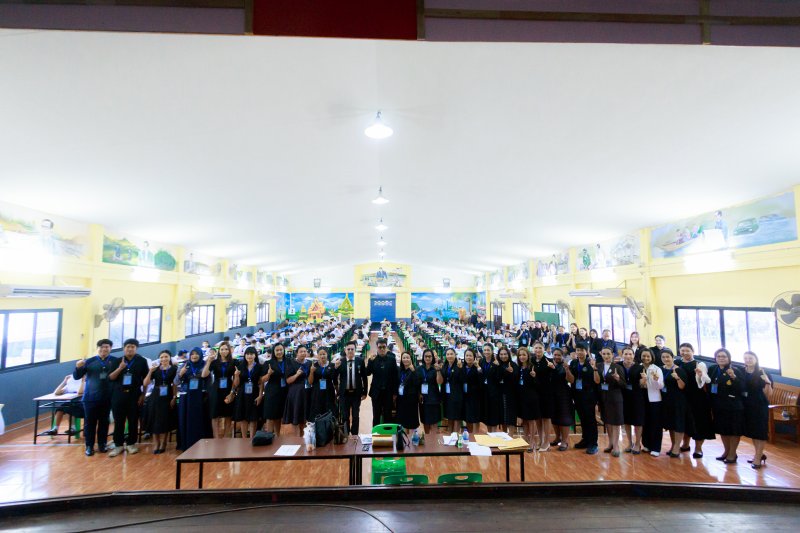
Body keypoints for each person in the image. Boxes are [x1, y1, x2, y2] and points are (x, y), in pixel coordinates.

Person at [73, 339, 117, 456]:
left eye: (107, 347)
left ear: (110, 348)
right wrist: (78, 367)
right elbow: (77, 376)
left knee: (104, 422)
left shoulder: (115, 361)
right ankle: (89, 446)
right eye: (101, 347)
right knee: (90, 423)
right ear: (98, 348)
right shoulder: (89, 361)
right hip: (90, 397)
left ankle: (102, 444)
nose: (104, 349)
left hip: (107, 397)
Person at [107, 339, 149, 457]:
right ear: (123, 348)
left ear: (136, 348)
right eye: (128, 347)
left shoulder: (141, 361)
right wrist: (120, 368)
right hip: (118, 395)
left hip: (134, 395)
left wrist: (143, 394)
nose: (130, 349)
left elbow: (146, 380)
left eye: (132, 347)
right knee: (119, 421)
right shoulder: (116, 361)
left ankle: (131, 444)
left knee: (133, 420)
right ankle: (118, 445)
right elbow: (111, 377)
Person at [708, 348, 745, 464]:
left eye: (724, 356)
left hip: (733, 406)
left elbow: (742, 388)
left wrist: (734, 377)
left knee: (733, 430)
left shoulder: (736, 370)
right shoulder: (713, 369)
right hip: (718, 405)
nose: (721, 358)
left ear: (729, 358)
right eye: (718, 356)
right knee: (723, 430)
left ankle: (732, 453)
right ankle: (726, 451)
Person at [677, 343, 714, 458]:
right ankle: (685, 444)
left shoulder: (699, 364)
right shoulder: (677, 363)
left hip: (698, 398)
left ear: (693, 351)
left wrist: (701, 375)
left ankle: (698, 448)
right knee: (685, 421)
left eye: (687, 350)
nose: (685, 353)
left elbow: (707, 381)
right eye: (682, 350)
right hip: (682, 397)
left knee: (699, 422)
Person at [176, 347, 211, 451]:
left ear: (200, 355)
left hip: (201, 397)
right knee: (186, 420)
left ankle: (202, 445)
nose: (194, 356)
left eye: (196, 354)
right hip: (186, 397)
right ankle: (187, 444)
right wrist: (181, 373)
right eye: (192, 354)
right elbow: (176, 382)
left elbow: (208, 379)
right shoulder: (184, 365)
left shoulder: (205, 364)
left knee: (201, 420)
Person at [142, 350, 176, 454]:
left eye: (166, 356)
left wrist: (174, 397)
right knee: (154, 419)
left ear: (169, 358)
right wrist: (150, 371)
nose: (164, 359)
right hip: (156, 395)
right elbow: (145, 383)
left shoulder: (174, 369)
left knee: (165, 419)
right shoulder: (155, 369)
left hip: (168, 395)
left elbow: (175, 384)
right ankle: (156, 442)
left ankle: (164, 442)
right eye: (161, 357)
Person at [567, 343, 599, 455]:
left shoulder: (591, 362)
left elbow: (596, 381)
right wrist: (567, 370)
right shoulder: (574, 363)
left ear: (586, 351)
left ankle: (593, 443)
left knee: (590, 419)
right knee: (582, 418)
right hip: (577, 395)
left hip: (589, 395)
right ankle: (585, 439)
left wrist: (595, 368)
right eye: (578, 350)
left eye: (582, 350)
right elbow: (571, 380)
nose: (579, 352)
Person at [742, 351, 771, 469]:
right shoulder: (742, 371)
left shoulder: (763, 372)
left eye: (750, 358)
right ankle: (758, 454)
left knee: (760, 432)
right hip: (747, 405)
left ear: (756, 359)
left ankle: (758, 458)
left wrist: (767, 382)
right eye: (746, 358)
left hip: (759, 406)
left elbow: (768, 394)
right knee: (753, 432)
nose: (748, 360)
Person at [596, 347, 625, 457]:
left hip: (615, 397)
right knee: (607, 421)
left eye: (608, 353)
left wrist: (618, 379)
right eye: (604, 354)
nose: (606, 356)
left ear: (612, 354)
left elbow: (623, 384)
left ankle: (616, 445)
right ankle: (611, 443)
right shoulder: (598, 366)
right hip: (603, 397)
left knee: (616, 422)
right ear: (601, 354)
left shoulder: (618, 367)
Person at [203, 342, 236, 438]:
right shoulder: (214, 362)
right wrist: (209, 361)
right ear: (219, 351)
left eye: (226, 349)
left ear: (229, 350)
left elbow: (235, 379)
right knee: (215, 415)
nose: (224, 351)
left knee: (228, 414)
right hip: (216, 390)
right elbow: (204, 375)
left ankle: (226, 437)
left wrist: (232, 392)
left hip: (228, 389)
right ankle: (216, 437)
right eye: (222, 349)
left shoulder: (234, 362)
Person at [660, 349, 689, 458]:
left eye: (668, 357)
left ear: (673, 357)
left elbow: (682, 386)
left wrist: (677, 378)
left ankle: (677, 447)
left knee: (678, 424)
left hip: (678, 401)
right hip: (666, 400)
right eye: (663, 357)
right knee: (671, 424)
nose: (666, 359)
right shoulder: (661, 369)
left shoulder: (679, 370)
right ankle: (673, 445)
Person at [336, 341, 367, 436]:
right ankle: (346, 434)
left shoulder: (360, 361)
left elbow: (364, 377)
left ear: (355, 350)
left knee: (355, 416)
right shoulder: (340, 362)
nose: (350, 351)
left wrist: (364, 392)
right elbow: (334, 377)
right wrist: (335, 368)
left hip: (356, 393)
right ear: (345, 350)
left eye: (352, 349)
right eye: (348, 349)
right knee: (345, 416)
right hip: (344, 394)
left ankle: (354, 435)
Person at [366, 338, 398, 427]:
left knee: (388, 415)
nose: (382, 349)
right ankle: (375, 434)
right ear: (377, 348)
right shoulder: (373, 359)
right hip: (376, 392)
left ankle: (388, 434)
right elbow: (367, 373)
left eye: (384, 347)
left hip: (388, 392)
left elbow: (395, 377)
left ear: (386, 347)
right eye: (380, 347)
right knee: (376, 415)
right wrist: (370, 361)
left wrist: (395, 393)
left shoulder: (392, 359)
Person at [232, 347, 263, 440]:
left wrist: (260, 395)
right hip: (242, 394)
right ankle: (244, 439)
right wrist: (236, 376)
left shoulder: (259, 367)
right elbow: (236, 384)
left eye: (251, 354)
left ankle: (252, 439)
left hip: (254, 393)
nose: (249, 356)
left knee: (253, 418)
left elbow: (261, 383)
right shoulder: (240, 366)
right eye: (247, 354)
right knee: (243, 418)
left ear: (255, 355)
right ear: (245, 355)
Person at [620, 347, 645, 454]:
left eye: (630, 354)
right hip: (623, 397)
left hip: (637, 397)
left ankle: (638, 443)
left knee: (638, 421)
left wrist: (644, 380)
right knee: (626, 421)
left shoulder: (639, 367)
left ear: (633, 355)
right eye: (626, 354)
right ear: (622, 355)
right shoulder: (618, 366)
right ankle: (630, 443)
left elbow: (642, 384)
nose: (628, 356)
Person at [261, 343, 290, 435]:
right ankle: (268, 436)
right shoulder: (268, 363)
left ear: (284, 350)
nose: (279, 352)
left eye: (281, 350)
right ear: (273, 352)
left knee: (279, 416)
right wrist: (269, 374)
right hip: (272, 392)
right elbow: (262, 380)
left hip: (284, 391)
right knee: (270, 416)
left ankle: (278, 436)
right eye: (277, 350)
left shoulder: (289, 361)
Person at [640, 349, 664, 456]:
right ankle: (646, 444)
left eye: (648, 356)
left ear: (652, 357)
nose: (645, 358)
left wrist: (655, 380)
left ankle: (656, 448)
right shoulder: (639, 367)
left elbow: (660, 386)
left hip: (654, 399)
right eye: (643, 356)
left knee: (656, 424)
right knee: (645, 422)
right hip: (642, 399)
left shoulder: (656, 369)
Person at [283, 345, 311, 436]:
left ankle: (303, 436)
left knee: (304, 416)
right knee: (295, 416)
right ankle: (296, 438)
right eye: (301, 351)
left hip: (307, 392)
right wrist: (297, 375)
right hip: (295, 393)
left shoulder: (309, 363)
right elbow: (288, 380)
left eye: (304, 351)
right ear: (297, 353)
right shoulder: (291, 363)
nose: (303, 353)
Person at [531, 342, 554, 451]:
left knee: (546, 418)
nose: (538, 350)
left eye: (540, 348)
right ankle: (541, 440)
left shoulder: (548, 361)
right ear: (533, 349)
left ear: (543, 349)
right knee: (538, 418)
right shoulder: (531, 361)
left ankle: (547, 441)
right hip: (534, 392)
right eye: (536, 348)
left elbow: (554, 376)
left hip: (546, 393)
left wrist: (552, 368)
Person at [516, 347, 540, 451]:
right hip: (521, 397)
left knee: (531, 420)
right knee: (524, 420)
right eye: (520, 355)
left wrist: (534, 377)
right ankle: (525, 439)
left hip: (531, 397)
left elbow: (538, 384)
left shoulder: (532, 367)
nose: (522, 357)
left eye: (524, 355)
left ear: (528, 356)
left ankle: (532, 441)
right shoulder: (518, 368)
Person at [492, 347, 518, 434]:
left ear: (508, 354)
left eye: (505, 354)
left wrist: (511, 372)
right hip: (499, 394)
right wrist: (499, 368)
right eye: (501, 354)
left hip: (510, 394)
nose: (503, 356)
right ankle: (504, 435)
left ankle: (511, 436)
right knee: (502, 416)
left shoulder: (513, 365)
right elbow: (496, 378)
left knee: (510, 416)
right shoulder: (497, 364)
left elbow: (516, 379)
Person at [417, 348, 443, 434]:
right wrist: (419, 394)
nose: (428, 358)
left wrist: (438, 371)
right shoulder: (419, 369)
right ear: (423, 357)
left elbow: (440, 382)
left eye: (429, 356)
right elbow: (417, 383)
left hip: (434, 398)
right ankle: (427, 439)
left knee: (434, 421)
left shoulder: (436, 368)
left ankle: (434, 440)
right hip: (423, 398)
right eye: (426, 356)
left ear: (432, 358)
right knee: (425, 421)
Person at [308, 347, 337, 420]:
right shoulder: (313, 366)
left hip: (329, 391)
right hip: (317, 391)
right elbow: (310, 382)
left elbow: (335, 380)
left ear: (327, 354)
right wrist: (311, 372)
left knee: (329, 409)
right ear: (317, 355)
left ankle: (329, 425)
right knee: (317, 410)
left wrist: (337, 391)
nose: (322, 356)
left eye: (324, 354)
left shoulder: (332, 365)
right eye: (320, 354)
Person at [395, 351, 420, 434]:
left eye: (407, 358)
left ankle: (412, 437)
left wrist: (413, 371)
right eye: (404, 358)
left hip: (411, 399)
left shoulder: (415, 369)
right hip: (401, 399)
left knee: (411, 420)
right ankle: (404, 438)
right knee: (402, 420)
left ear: (411, 359)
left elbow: (417, 383)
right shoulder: (400, 370)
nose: (405, 359)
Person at [441, 348, 465, 434]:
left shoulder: (459, 365)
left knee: (457, 417)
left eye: (451, 354)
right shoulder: (445, 366)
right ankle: (450, 435)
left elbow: (463, 379)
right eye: (448, 354)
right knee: (449, 417)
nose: (449, 356)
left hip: (457, 395)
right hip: (447, 395)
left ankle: (456, 435)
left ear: (455, 355)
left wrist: (461, 369)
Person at [461, 349, 482, 435]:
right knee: (467, 417)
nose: (468, 357)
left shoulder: (477, 367)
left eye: (470, 356)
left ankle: (476, 435)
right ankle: (469, 436)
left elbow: (481, 380)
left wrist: (478, 367)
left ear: (474, 357)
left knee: (476, 417)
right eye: (467, 355)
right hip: (465, 395)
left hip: (475, 396)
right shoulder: (462, 367)